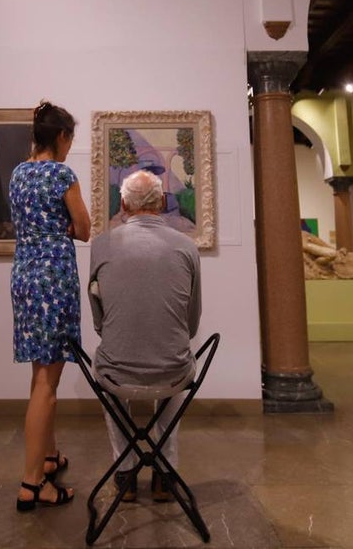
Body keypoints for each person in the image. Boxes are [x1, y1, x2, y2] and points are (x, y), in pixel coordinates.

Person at [88, 169, 202, 503]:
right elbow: (192, 320)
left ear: (123, 203)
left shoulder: (102, 244)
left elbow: (98, 317)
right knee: (177, 360)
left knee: (105, 364)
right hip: (172, 371)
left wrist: (115, 334)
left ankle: (124, 471)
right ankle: (164, 474)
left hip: (117, 372)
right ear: (162, 201)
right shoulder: (186, 246)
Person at [10, 101, 90, 512]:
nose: (71, 146)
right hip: (53, 281)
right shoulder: (61, 174)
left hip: (24, 277)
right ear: (60, 137)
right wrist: (64, 226)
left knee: (40, 376)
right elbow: (85, 228)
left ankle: (47, 456)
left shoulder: (18, 173)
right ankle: (32, 484)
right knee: (48, 386)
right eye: (70, 138)